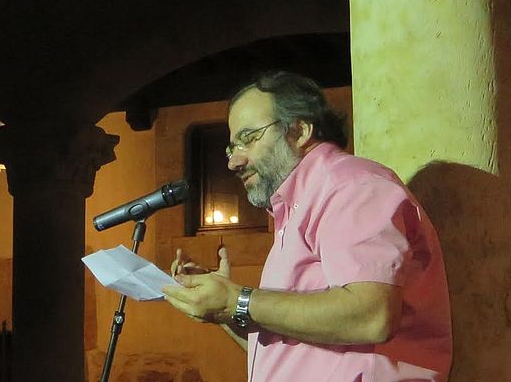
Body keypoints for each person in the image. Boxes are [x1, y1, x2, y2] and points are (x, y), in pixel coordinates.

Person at [162, 71, 452, 382]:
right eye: (232, 148)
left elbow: (372, 316)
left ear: (299, 131)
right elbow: (292, 348)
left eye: (249, 138)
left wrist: (239, 300)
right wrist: (222, 308)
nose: (234, 162)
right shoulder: (295, 211)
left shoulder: (350, 186)